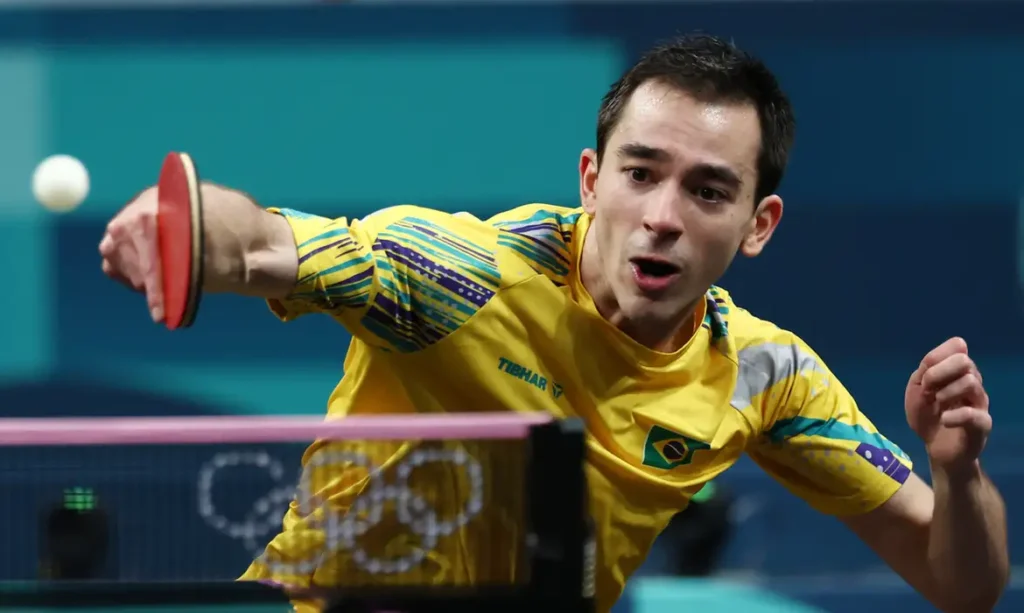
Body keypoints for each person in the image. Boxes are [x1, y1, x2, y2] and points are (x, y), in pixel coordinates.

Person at [99, 34, 1008, 613]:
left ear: (757, 224)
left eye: (708, 190)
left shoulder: (765, 374)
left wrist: (956, 472)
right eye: (640, 174)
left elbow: (962, 585)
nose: (662, 216)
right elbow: (264, 244)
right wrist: (183, 227)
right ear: (591, 180)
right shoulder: (456, 275)